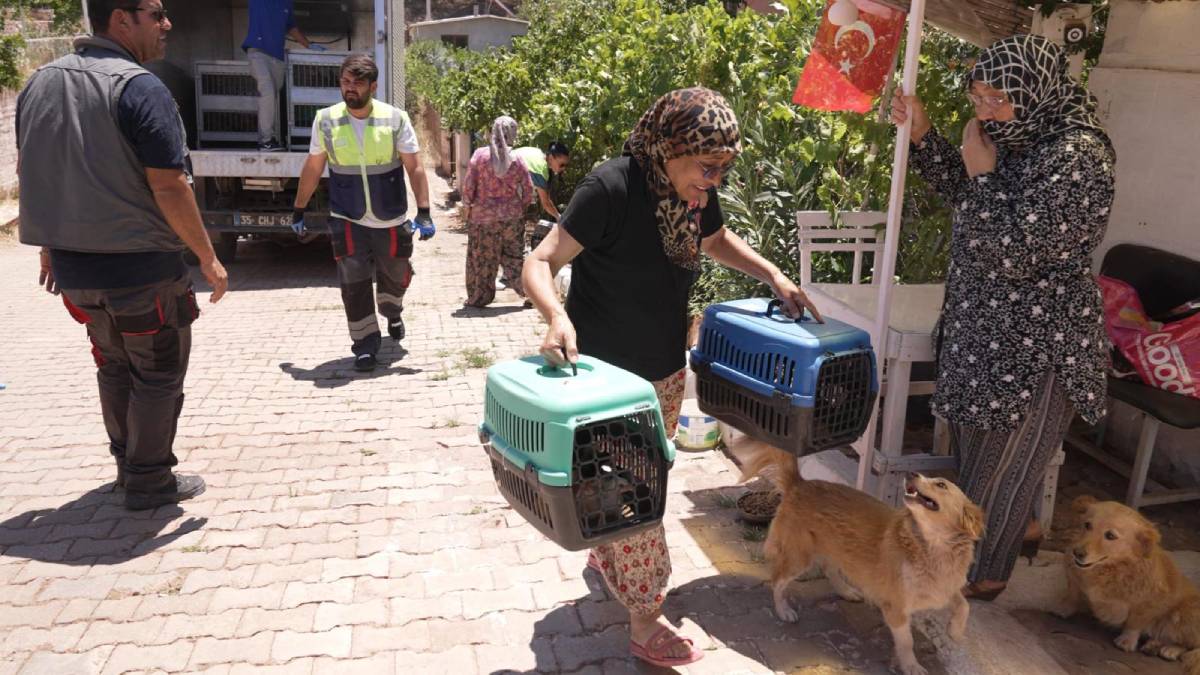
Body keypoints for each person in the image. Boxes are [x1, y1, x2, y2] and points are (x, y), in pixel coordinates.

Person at [523, 87, 821, 668]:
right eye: (706, 168)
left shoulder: (691, 194)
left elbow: (713, 240)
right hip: (602, 377)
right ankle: (644, 616)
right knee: (636, 490)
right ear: (669, 147)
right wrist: (557, 315)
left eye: (722, 172)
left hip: (662, 369)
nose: (713, 182)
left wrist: (772, 275)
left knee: (636, 482)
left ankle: (608, 542)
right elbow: (540, 260)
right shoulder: (610, 188)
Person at [891, 34, 1115, 600]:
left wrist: (984, 173)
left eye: (999, 97)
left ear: (1035, 90)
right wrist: (924, 136)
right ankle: (1025, 531)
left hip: (1038, 344)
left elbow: (1013, 248)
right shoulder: (1015, 139)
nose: (986, 111)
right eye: (979, 97)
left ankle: (984, 576)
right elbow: (968, 199)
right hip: (983, 334)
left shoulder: (1080, 157)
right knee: (975, 458)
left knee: (1002, 471)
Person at [17, 0, 229, 511]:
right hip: (141, 271)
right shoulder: (138, 87)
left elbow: (37, 170)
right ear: (120, 19)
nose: (167, 24)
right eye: (155, 14)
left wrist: (49, 247)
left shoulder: (40, 84)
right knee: (157, 375)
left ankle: (126, 467)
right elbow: (170, 185)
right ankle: (149, 481)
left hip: (77, 273)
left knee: (114, 369)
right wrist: (208, 257)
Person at [292, 54, 434, 373]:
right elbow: (313, 167)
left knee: (396, 274)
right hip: (347, 216)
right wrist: (298, 208)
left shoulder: (394, 118)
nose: (350, 88)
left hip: (391, 216)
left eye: (357, 83)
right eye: (345, 82)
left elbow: (414, 166)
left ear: (373, 86)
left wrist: (424, 211)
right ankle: (366, 344)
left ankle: (392, 308)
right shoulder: (326, 120)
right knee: (352, 280)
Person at [460, 116, 535, 308]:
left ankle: (479, 297)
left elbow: (469, 185)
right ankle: (531, 294)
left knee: (483, 257)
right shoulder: (517, 159)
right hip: (512, 218)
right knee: (515, 257)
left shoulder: (479, 155)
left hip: (483, 219)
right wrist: (521, 208)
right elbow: (528, 189)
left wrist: (467, 207)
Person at [242, 0, 321, 151]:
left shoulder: (286, 3)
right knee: (268, 92)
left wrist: (308, 44)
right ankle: (265, 140)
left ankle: (272, 139)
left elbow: (291, 27)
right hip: (257, 52)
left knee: (273, 97)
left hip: (277, 57)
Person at [513, 141, 571, 222]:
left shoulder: (537, 152)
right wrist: (559, 217)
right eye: (562, 165)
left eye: (566, 165)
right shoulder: (541, 170)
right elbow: (546, 203)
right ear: (551, 158)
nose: (563, 168)